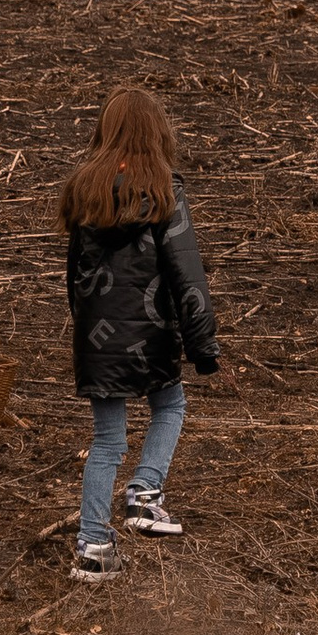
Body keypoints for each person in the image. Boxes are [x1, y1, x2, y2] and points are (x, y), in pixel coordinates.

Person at [60, 84, 219, 586]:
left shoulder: (85, 189)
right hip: (152, 336)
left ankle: (93, 546)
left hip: (98, 339)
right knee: (169, 405)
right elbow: (186, 272)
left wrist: (86, 335)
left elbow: (74, 277)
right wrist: (203, 345)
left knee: (107, 440)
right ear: (157, 133)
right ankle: (146, 493)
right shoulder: (165, 190)